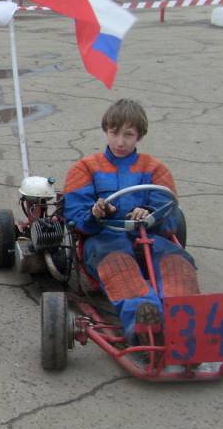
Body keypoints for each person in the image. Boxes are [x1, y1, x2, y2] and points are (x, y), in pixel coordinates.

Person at [63, 99, 199, 344]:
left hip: (150, 237)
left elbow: (170, 214)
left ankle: (186, 327)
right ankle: (144, 323)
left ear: (139, 136)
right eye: (114, 133)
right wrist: (97, 213)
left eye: (128, 135)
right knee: (119, 266)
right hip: (104, 240)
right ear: (106, 130)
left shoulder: (155, 169)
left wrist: (149, 212)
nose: (120, 142)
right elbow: (74, 218)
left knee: (177, 262)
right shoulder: (85, 169)